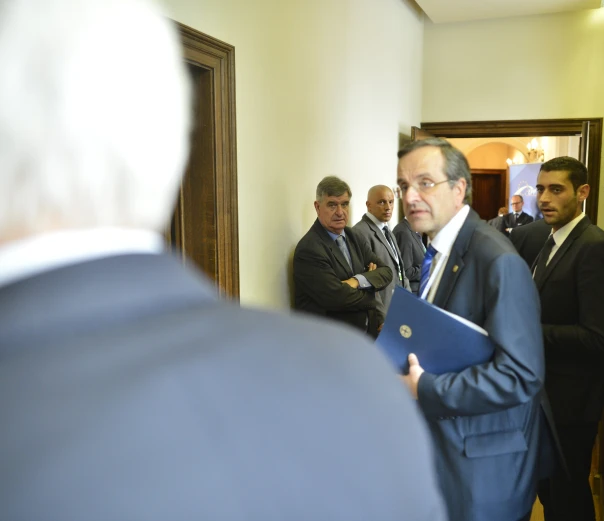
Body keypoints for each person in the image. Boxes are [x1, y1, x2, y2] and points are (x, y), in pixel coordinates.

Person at [0, 1, 446, 520]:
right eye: (335, 204)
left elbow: (380, 273)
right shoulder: (353, 376)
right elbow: (339, 290)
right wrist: (364, 283)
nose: (344, 211)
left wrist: (363, 281)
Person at [396, 138, 553, 521]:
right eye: (403, 186)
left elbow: (521, 375)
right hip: (446, 452)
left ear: (459, 188)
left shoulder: (497, 260)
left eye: (425, 183)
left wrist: (425, 388)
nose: (410, 196)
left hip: (483, 466)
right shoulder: (439, 250)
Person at [532, 157, 604, 521]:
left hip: (572, 401)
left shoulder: (594, 247)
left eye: (556, 189)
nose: (544, 198)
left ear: (582, 192)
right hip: (547, 393)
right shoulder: (552, 240)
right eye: (541, 189)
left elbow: (599, 338)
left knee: (568, 498)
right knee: (551, 492)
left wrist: (527, 332)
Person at [293, 176, 394, 335]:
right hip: (331, 342)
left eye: (345, 204)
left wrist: (356, 280)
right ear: (317, 207)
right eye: (332, 205)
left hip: (365, 335)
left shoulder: (353, 235)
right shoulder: (309, 248)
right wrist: (371, 287)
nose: (340, 212)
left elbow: (387, 272)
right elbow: (337, 297)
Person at [351, 185, 410, 331]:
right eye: (382, 202)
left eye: (391, 202)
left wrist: (411, 303)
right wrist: (381, 318)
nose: (388, 207)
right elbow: (368, 282)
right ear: (368, 205)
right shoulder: (360, 232)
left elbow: (400, 269)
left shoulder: (387, 230)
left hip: (400, 309)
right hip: (382, 317)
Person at [393, 215, 426, 295]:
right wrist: (428, 268)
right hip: (411, 294)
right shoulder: (403, 232)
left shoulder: (413, 230)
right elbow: (406, 272)